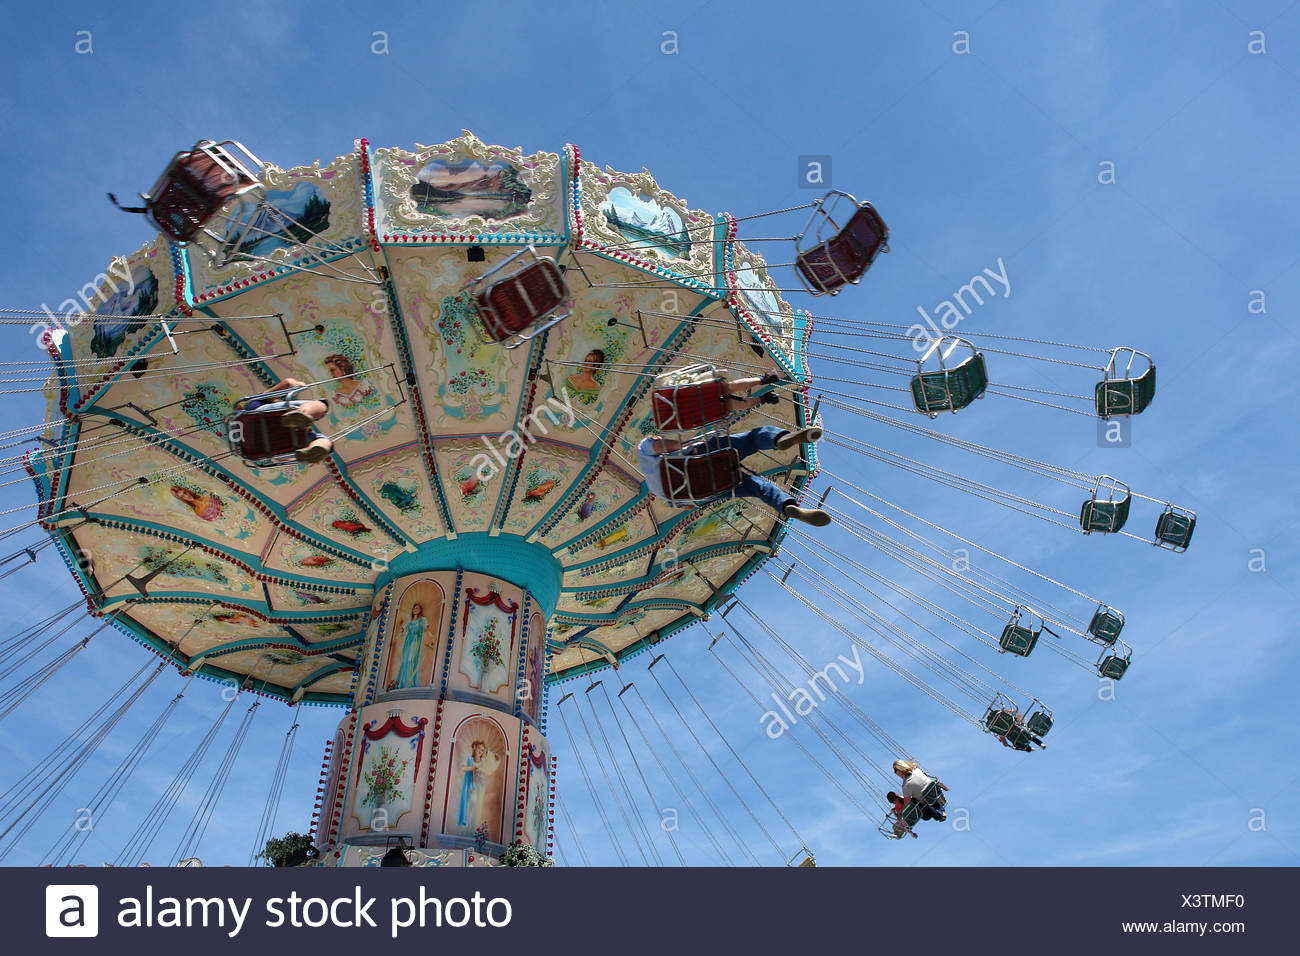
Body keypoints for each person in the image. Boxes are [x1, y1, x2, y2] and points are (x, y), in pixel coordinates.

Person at [636, 425, 832, 526]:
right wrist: (684, 445)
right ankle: (779, 439)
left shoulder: (660, 493)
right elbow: (665, 445)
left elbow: (688, 505)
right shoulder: (643, 449)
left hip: (714, 488)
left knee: (758, 488)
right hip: (704, 455)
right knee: (752, 439)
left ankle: (787, 507)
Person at [238, 377, 332, 463]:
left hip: (261, 430)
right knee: (323, 405)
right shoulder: (257, 402)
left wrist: (296, 384)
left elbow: (287, 383)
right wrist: (297, 384)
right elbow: (288, 382)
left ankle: (304, 416)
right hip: (274, 429)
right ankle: (305, 415)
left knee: (319, 435)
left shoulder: (253, 405)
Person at [893, 758, 948, 823]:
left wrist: (900, 813)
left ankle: (938, 814)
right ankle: (940, 809)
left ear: (900, 770)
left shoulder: (906, 785)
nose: (898, 775)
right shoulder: (916, 770)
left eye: (897, 772)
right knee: (928, 796)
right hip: (935, 792)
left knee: (915, 804)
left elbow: (907, 804)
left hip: (925, 803)